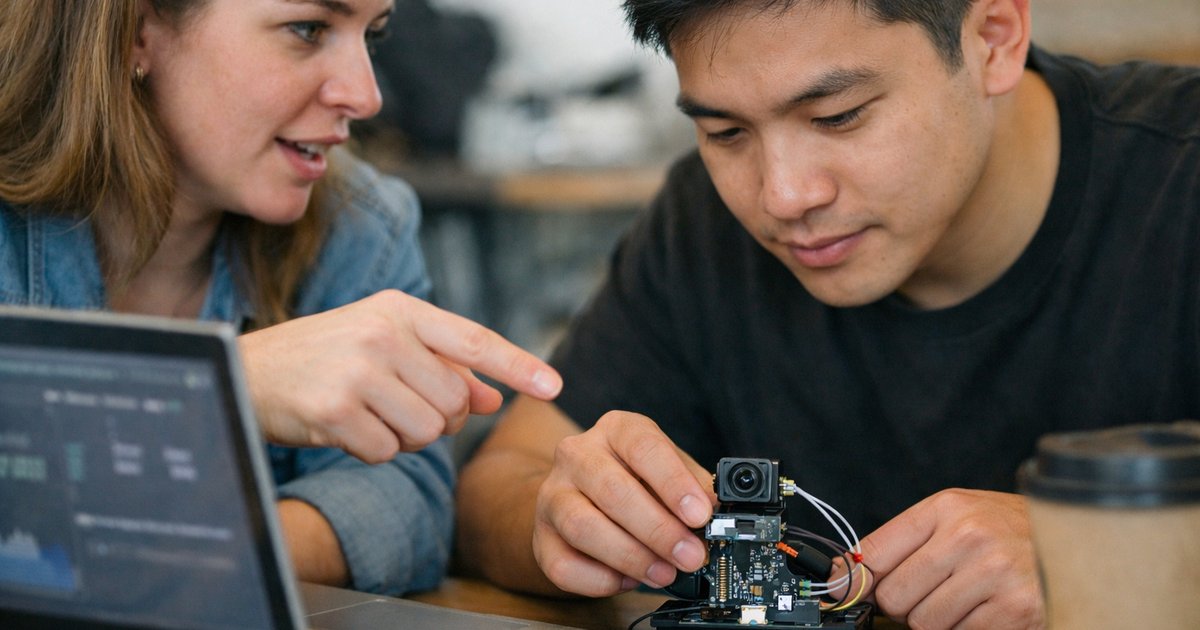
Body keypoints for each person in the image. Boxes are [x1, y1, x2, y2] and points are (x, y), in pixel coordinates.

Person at [455, 0, 1200, 627]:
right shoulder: (701, 228)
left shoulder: (1181, 179)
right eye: (725, 133)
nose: (782, 197)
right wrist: (569, 519)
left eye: (837, 117)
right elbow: (498, 487)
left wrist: (1108, 559)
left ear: (993, 39)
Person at [0, 0, 562, 596]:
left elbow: (405, 502)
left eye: (372, 35)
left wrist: (180, 558)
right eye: (308, 30)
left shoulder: (361, 224)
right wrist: (224, 388)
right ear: (137, 32)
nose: (366, 97)